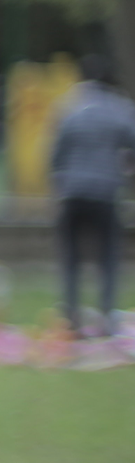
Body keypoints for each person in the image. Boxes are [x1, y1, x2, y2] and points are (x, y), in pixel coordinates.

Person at [48, 53, 135, 337]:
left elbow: (56, 155)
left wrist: (60, 184)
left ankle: (71, 317)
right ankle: (107, 318)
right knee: (108, 257)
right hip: (106, 192)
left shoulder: (68, 107)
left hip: (72, 193)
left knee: (71, 257)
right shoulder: (120, 109)